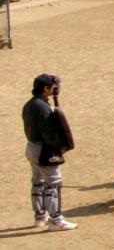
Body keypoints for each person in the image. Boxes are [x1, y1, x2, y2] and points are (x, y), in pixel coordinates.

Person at [22, 74, 77, 231]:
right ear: (46, 89)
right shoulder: (43, 107)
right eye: (53, 87)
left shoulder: (30, 104)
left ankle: (40, 216)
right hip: (44, 150)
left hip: (32, 146)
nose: (56, 89)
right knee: (53, 184)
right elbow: (50, 135)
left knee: (38, 182)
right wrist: (59, 149)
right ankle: (56, 220)